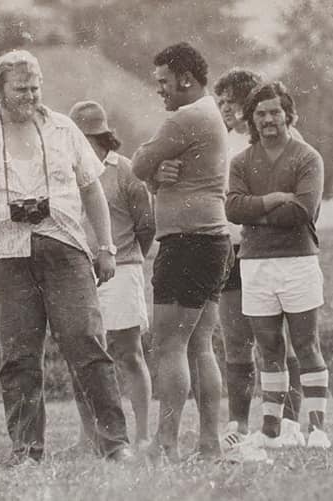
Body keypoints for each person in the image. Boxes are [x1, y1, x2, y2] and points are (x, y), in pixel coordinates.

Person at [0, 50, 132, 466]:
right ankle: (26, 451)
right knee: (19, 356)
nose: (30, 95)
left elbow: (92, 191)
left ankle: (115, 444)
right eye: (20, 88)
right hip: (2, 256)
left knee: (87, 342)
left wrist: (106, 248)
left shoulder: (64, 129)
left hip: (64, 250)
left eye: (35, 87)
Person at [131, 42, 231, 461]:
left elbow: (138, 164)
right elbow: (153, 174)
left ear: (186, 79)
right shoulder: (209, 114)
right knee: (199, 345)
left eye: (164, 82)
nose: (160, 90)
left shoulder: (185, 117)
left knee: (169, 345)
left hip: (188, 242)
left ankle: (166, 443)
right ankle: (209, 444)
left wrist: (152, 171)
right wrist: (159, 176)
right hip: (212, 241)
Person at [226, 81, 331, 450]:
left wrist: (256, 214)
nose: (268, 119)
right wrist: (273, 200)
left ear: (288, 114)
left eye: (275, 112)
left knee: (305, 343)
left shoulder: (307, 157)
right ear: (251, 119)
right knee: (268, 347)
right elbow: (232, 208)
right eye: (261, 113)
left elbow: (304, 210)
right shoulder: (241, 161)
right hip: (255, 263)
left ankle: (317, 429)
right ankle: (271, 430)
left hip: (298, 260)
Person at [213, 69, 306, 453]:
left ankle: (289, 423)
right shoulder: (217, 140)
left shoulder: (286, 142)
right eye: (220, 103)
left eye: (231, 103)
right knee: (235, 340)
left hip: (272, 250)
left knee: (279, 342)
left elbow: (297, 199)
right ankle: (238, 422)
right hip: (231, 249)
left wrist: (252, 212)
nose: (224, 109)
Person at [68, 101, 155, 451]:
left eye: (85, 139)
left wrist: (124, 258)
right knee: (85, 356)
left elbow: (146, 226)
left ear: (102, 138)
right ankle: (88, 436)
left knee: (129, 353)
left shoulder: (125, 171)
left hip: (121, 270)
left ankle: (143, 434)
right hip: (78, 273)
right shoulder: (66, 172)